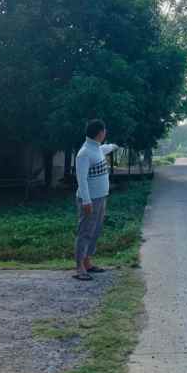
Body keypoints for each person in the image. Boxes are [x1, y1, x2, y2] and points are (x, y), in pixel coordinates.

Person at [73, 119, 118, 281]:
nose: (105, 133)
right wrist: (86, 201)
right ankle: (79, 268)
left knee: (95, 231)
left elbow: (103, 150)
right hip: (90, 200)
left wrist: (113, 146)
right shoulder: (84, 153)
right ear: (100, 133)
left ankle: (88, 263)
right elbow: (82, 180)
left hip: (100, 198)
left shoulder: (96, 149)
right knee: (84, 232)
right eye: (104, 130)